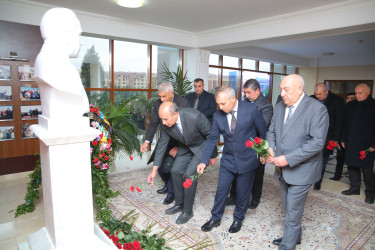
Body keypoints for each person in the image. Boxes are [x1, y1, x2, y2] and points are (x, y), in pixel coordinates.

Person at [266, 74, 329, 249]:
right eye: (281, 90)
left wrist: (288, 158)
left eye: (286, 90)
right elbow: (271, 131)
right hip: (282, 169)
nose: (282, 94)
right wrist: (271, 147)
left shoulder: (317, 109)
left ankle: (288, 245)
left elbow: (317, 143)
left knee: (293, 210)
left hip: (303, 169)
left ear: (299, 89)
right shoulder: (279, 106)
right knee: (288, 207)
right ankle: (294, 236)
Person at [198, 86, 267, 234]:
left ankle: (238, 219)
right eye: (218, 104)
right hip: (228, 159)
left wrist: (262, 153)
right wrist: (204, 160)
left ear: (233, 99)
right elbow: (212, 139)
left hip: (248, 159)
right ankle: (215, 218)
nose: (220, 107)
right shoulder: (218, 116)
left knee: (243, 192)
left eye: (223, 104)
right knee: (221, 190)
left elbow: (262, 132)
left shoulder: (251, 109)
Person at [147, 102, 217, 224]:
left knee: (189, 175)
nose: (163, 122)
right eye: (161, 119)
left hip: (201, 147)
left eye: (165, 119)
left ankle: (188, 211)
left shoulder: (195, 116)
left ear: (175, 114)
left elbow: (210, 135)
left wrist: (213, 155)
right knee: (175, 171)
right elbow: (162, 145)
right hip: (185, 147)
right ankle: (179, 203)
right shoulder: (165, 123)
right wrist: (154, 170)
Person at [34, 8, 89, 123]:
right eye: (79, 34)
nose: (81, 42)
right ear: (66, 33)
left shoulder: (58, 64)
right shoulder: (49, 63)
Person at [140, 82, 190, 205]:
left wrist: (179, 147)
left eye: (164, 96)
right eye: (160, 96)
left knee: (171, 166)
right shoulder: (158, 104)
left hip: (180, 141)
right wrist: (147, 141)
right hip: (165, 137)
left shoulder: (184, 103)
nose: (161, 99)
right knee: (160, 165)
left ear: (171, 94)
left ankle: (172, 194)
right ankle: (169, 185)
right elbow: (153, 123)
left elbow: (189, 128)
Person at [226, 79, 273, 209]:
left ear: (257, 91)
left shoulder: (266, 106)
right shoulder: (244, 102)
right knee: (237, 170)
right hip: (242, 143)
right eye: (245, 92)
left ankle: (255, 198)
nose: (246, 95)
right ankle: (233, 196)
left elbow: (262, 126)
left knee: (257, 174)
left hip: (258, 144)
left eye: (248, 92)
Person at [341, 83, 375, 204]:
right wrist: (343, 139)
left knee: (367, 170)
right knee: (351, 166)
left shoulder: (373, 105)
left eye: (360, 93)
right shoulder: (351, 105)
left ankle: (370, 193)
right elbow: (345, 124)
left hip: (367, 144)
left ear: (368, 93)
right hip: (351, 141)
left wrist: (373, 145)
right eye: (356, 93)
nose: (357, 95)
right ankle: (354, 188)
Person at [311, 83, 345, 190]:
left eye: (320, 94)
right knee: (311, 158)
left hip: (328, 135)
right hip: (312, 134)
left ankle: (318, 182)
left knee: (323, 159)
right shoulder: (311, 99)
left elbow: (340, 122)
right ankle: (309, 178)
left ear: (326, 91)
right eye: (316, 94)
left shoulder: (337, 101)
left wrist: (336, 139)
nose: (318, 96)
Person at [330, 92, 355, 181]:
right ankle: (336, 176)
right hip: (341, 139)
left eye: (352, 98)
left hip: (352, 140)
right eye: (348, 98)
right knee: (339, 159)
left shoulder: (356, 110)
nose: (349, 100)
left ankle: (353, 182)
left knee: (352, 162)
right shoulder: (343, 108)